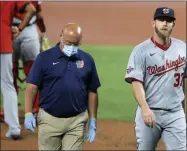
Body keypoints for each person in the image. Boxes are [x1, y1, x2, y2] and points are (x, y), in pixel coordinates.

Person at [24, 23, 101, 150]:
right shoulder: (44, 58)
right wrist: (28, 113)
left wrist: (93, 120)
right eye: (68, 42)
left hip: (77, 121)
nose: (71, 46)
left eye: (75, 43)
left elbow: (92, 91)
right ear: (61, 36)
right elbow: (32, 87)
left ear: (80, 41)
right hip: (49, 120)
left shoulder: (87, 60)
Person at [125, 7, 186, 150]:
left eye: (169, 21)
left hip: (175, 113)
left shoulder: (182, 48)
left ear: (173, 25)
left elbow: (185, 80)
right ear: (154, 23)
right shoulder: (140, 50)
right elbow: (136, 82)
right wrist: (145, 108)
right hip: (150, 112)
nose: (165, 23)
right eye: (161, 20)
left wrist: (183, 111)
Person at [0, 1, 36, 140]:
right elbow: (31, 9)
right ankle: (14, 128)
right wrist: (20, 28)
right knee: (7, 84)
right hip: (4, 41)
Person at [12, 0, 46, 114]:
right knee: (30, 70)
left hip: (14, 30)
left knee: (13, 71)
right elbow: (39, 13)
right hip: (24, 30)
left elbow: (39, 13)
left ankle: (11, 111)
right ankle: (35, 109)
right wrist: (42, 30)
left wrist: (42, 30)